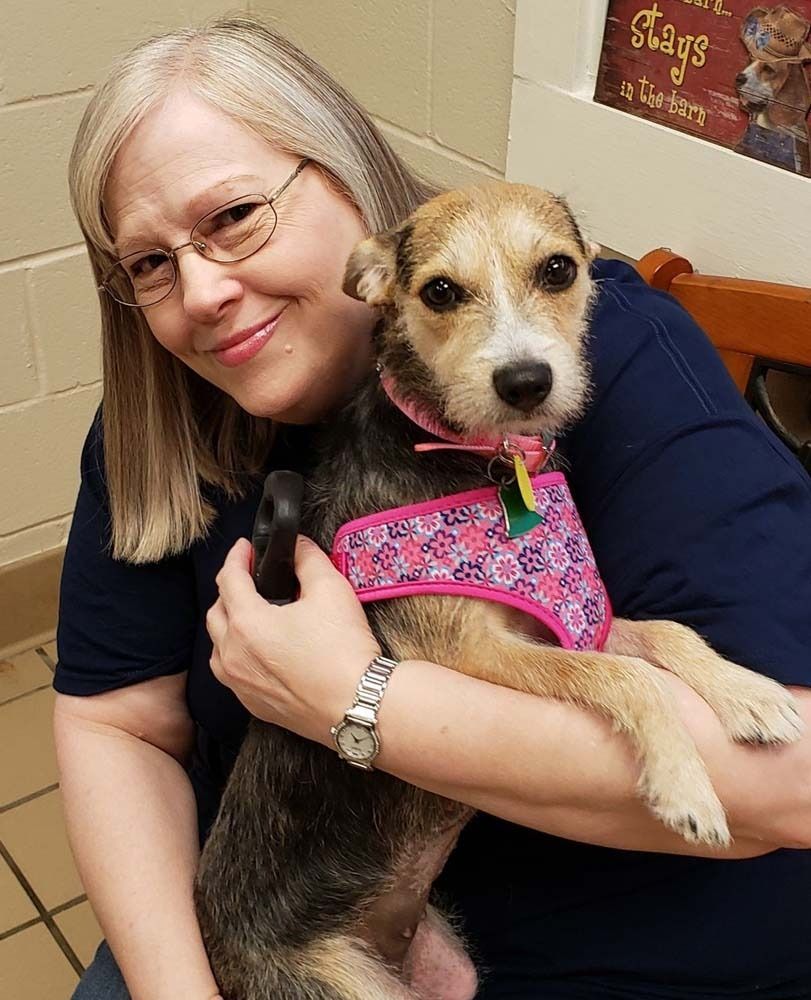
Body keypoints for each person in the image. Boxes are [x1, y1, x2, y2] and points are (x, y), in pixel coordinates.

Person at [53, 15, 811, 1000]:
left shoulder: (587, 357)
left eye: (235, 215)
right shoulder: (162, 416)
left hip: (623, 944)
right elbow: (117, 722)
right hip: (290, 901)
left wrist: (354, 698)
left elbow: (793, 781)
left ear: (350, 179)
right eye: (149, 263)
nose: (201, 291)